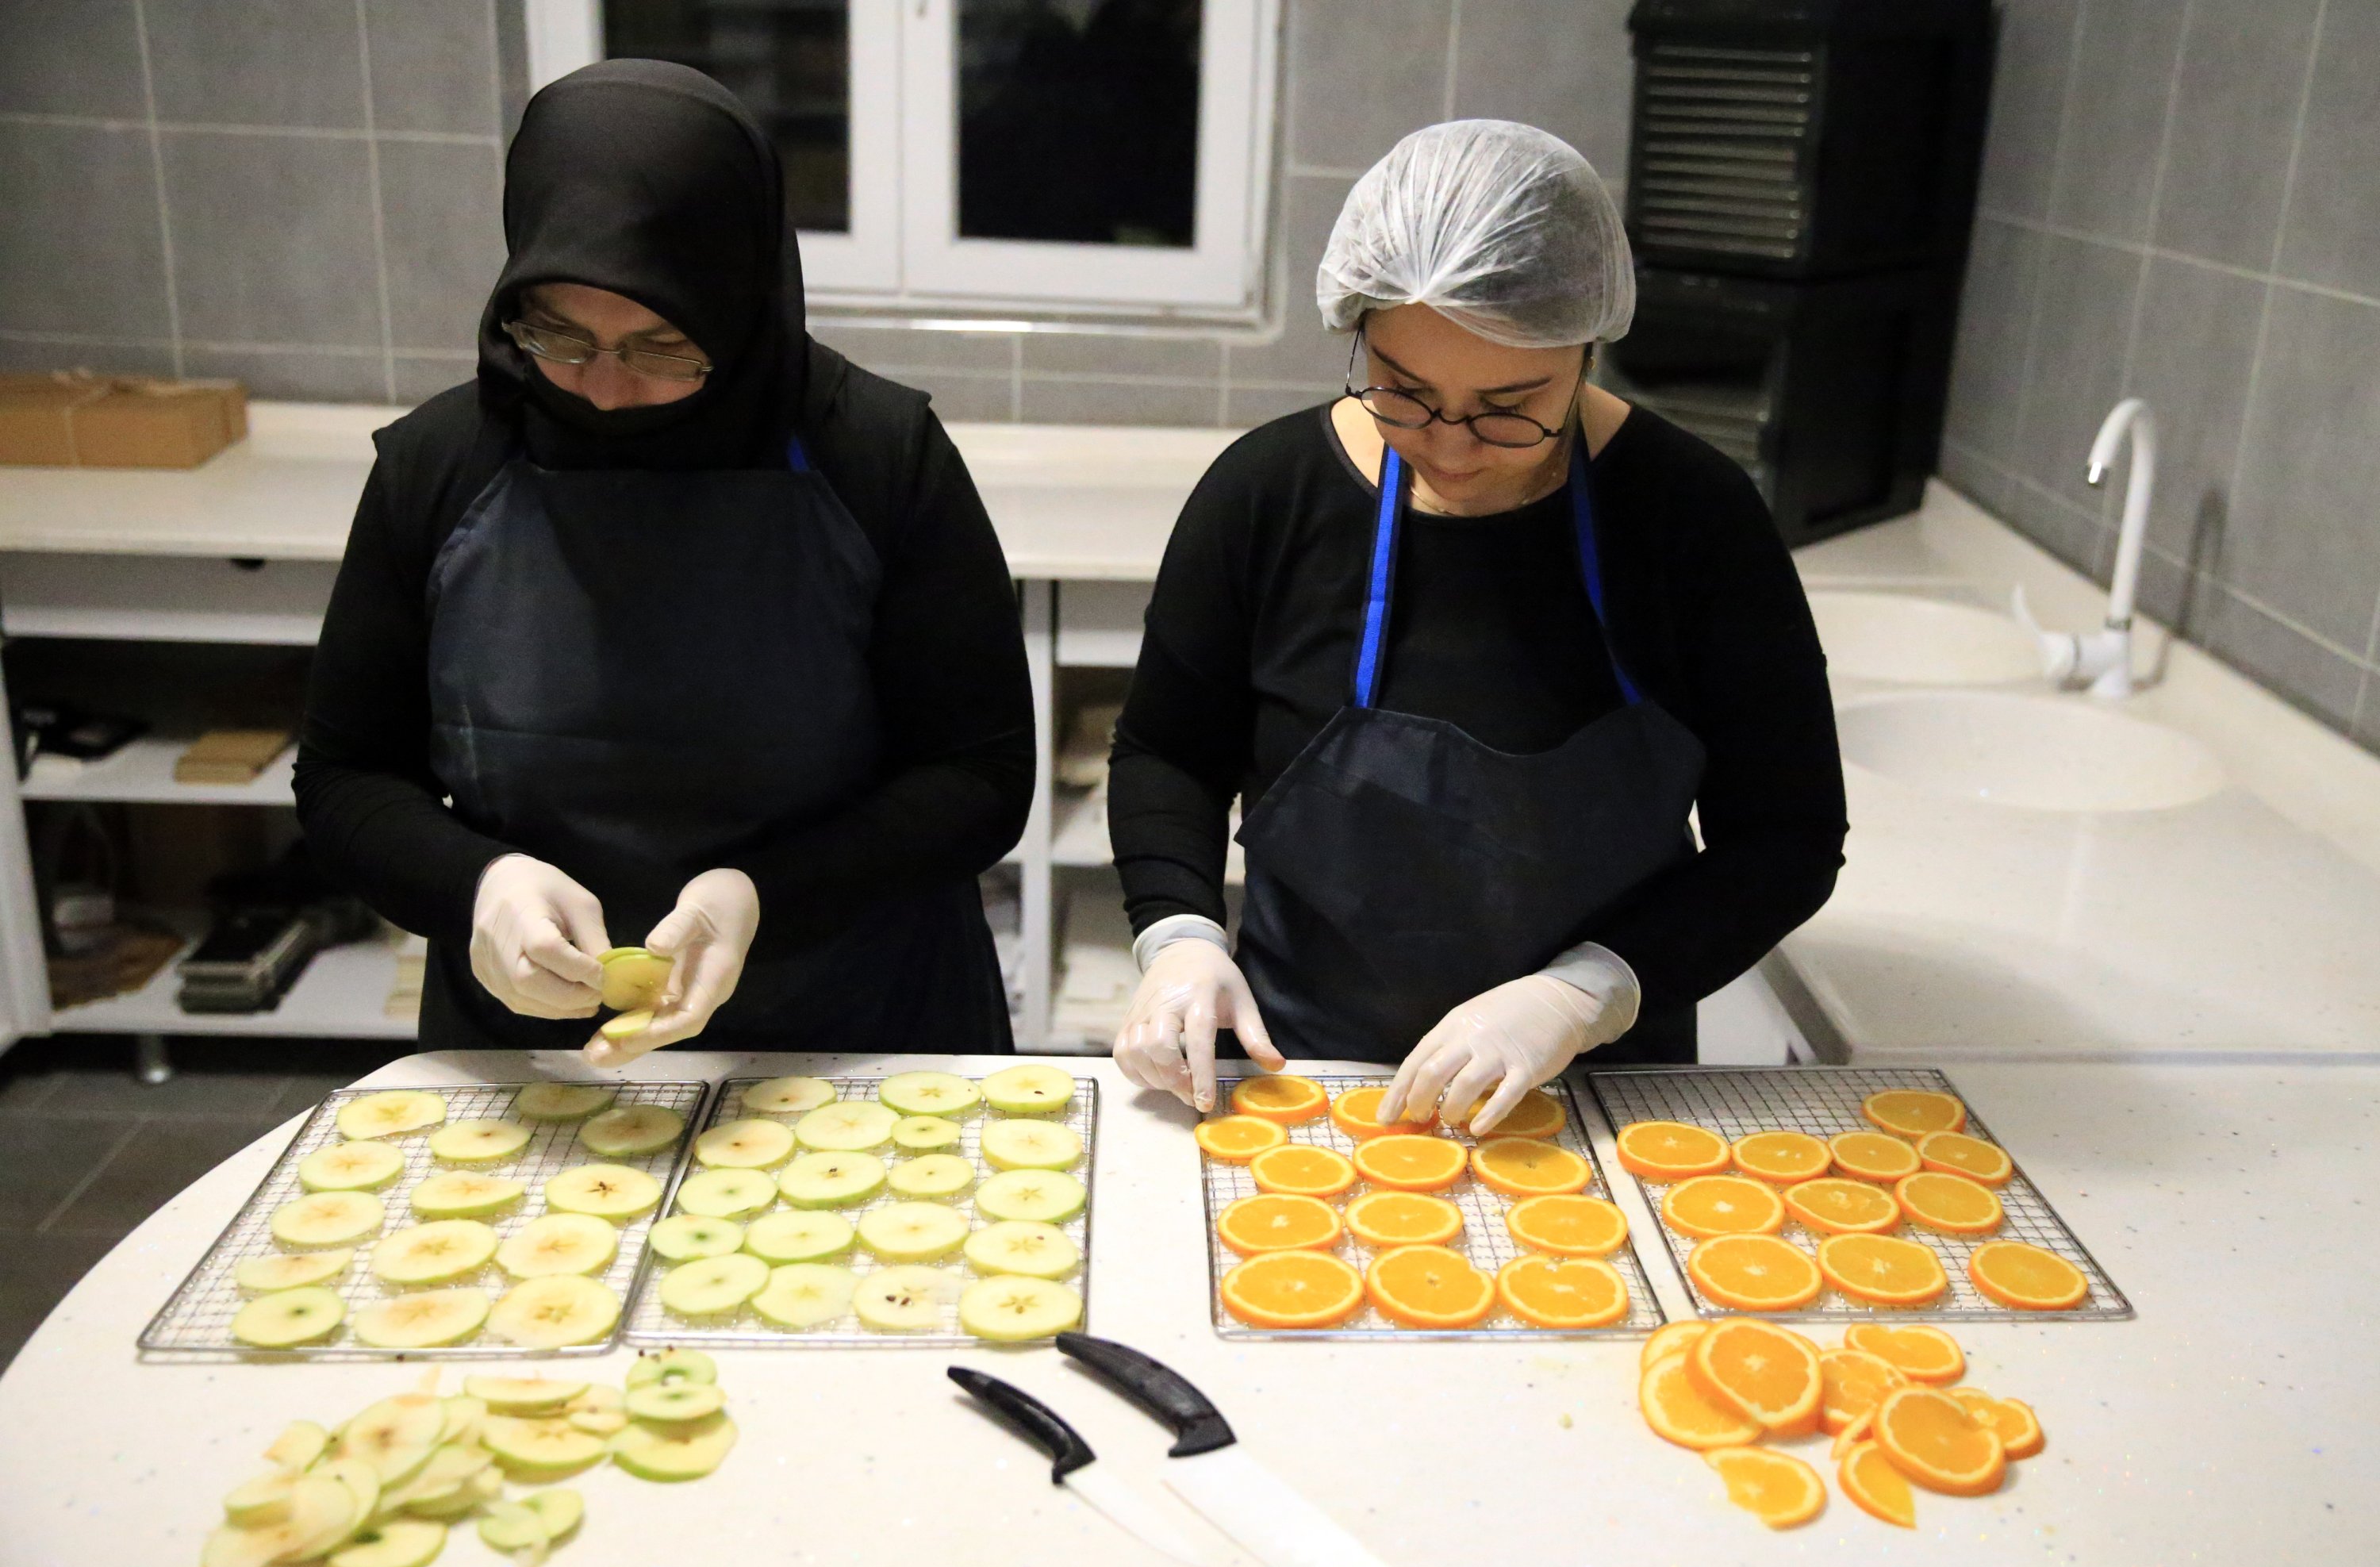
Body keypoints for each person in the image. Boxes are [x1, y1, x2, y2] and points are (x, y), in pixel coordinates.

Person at [1107, 121, 1846, 1131]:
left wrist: (1582, 994)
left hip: (1601, 1092)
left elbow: (1787, 837)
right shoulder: (1265, 495)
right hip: (1308, 1076)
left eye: (1511, 405)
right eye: (1405, 393)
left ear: (1588, 346)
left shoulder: (1693, 520)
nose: (1449, 447)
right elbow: (1166, 749)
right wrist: (1181, 934)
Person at [296, 61, 1033, 1062]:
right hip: (535, 1042)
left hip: (850, 1023)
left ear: (739, 307)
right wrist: (479, 884)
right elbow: (346, 776)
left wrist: (762, 896)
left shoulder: (874, 455)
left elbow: (980, 774)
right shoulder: (440, 466)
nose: (602, 390)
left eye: (658, 347)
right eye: (558, 335)